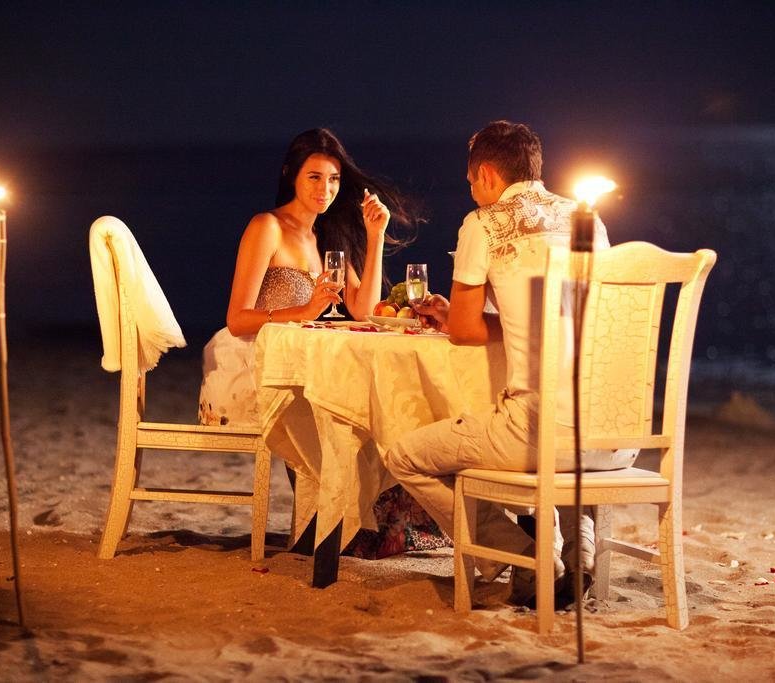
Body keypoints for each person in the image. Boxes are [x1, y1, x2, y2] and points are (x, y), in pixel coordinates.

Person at [382, 120, 638, 606]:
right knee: (565, 435)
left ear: (487, 174)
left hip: (539, 437)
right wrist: (502, 321)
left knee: (405, 458)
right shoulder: (587, 219)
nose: (471, 190)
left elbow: (463, 331)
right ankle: (580, 550)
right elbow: (572, 318)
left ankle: (521, 554)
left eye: (471, 181)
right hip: (616, 438)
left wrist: (460, 316)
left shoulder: (483, 223)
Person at [198, 128, 448, 557]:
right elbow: (237, 319)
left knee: (369, 402)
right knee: (338, 408)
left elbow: (363, 309)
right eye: (314, 177)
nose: (325, 189)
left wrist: (374, 236)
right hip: (259, 362)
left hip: (307, 361)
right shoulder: (267, 227)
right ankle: (330, 525)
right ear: (290, 175)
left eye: (333, 180)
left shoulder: (327, 238)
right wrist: (305, 311)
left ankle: (340, 524)